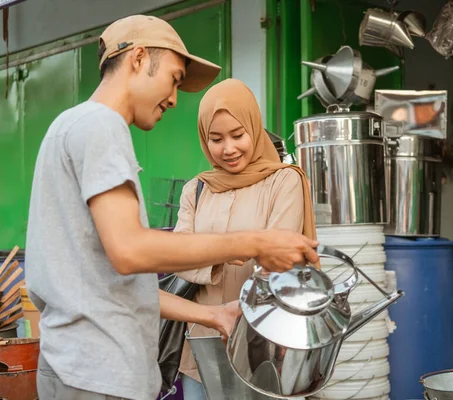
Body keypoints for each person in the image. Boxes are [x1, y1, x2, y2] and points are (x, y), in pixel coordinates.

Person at [25, 15, 318, 400]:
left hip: (76, 366)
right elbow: (131, 251)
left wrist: (212, 314)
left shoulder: (67, 126)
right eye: (175, 78)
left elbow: (117, 280)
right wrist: (255, 242)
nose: (174, 98)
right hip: (100, 372)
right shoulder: (102, 127)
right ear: (138, 58)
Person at [172, 78, 317, 399]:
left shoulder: (284, 181)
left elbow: (280, 261)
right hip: (202, 342)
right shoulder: (195, 190)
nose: (228, 149)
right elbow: (177, 260)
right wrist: (228, 252)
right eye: (216, 139)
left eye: (238, 135)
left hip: (265, 346)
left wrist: (207, 253)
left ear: (255, 127)